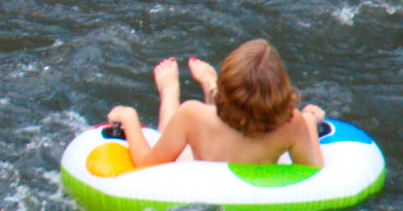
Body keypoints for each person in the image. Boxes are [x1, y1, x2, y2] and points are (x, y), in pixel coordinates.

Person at [103, 40, 326, 171]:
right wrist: (308, 120)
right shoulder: (292, 122)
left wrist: (129, 116)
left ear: (226, 82)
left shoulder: (191, 114)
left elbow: (147, 165)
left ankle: (170, 90)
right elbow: (314, 171)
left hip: (200, 157)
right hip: (243, 155)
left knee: (178, 124)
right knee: (199, 119)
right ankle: (208, 85)